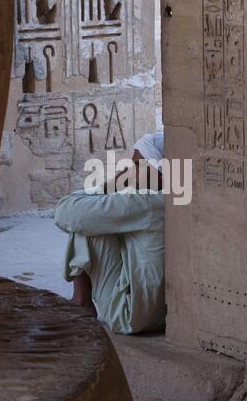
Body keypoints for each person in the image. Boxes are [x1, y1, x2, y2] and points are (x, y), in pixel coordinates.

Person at [54, 133, 166, 334]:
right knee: (93, 215)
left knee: (85, 220)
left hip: (127, 316)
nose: (130, 169)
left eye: (137, 164)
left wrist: (113, 183)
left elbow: (65, 211)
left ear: (159, 172)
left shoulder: (145, 203)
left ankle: (82, 301)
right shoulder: (172, 199)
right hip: (162, 317)